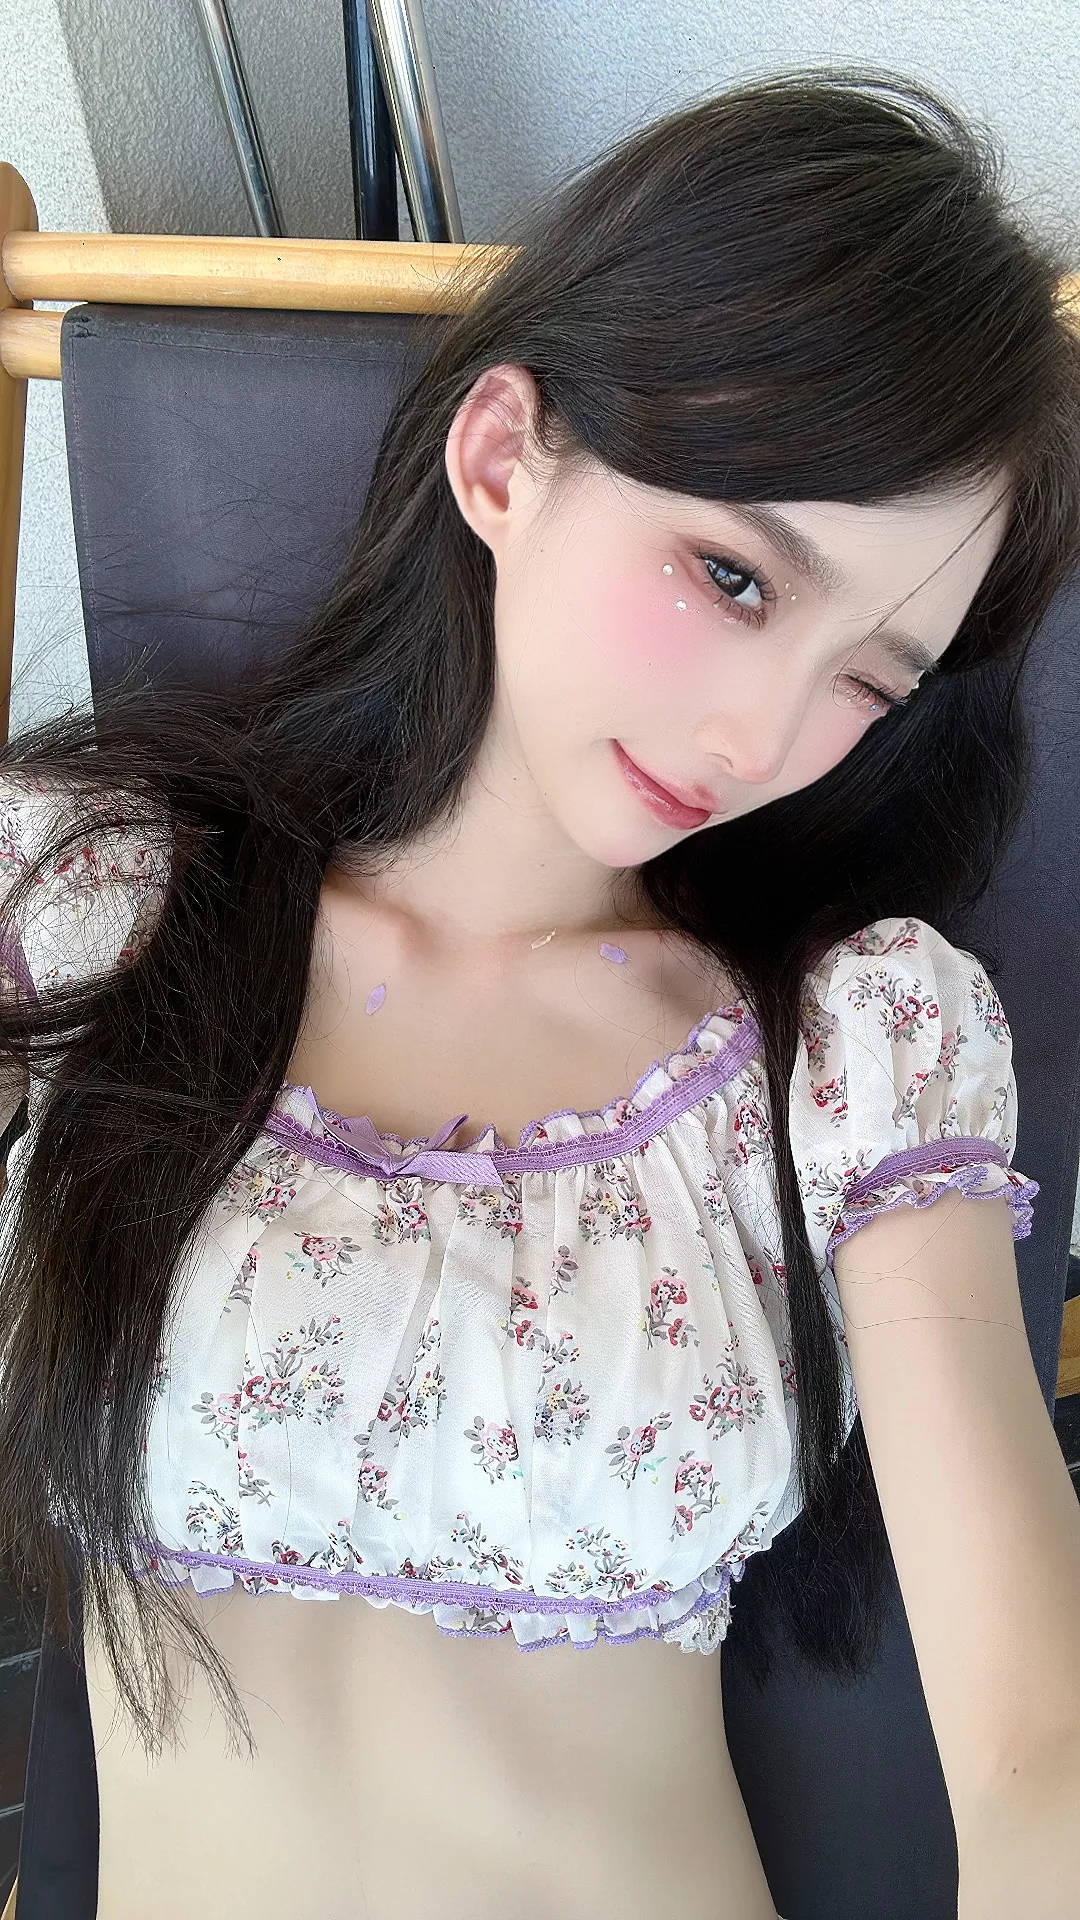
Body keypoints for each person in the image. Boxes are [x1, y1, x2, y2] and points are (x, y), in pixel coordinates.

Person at [1, 61, 1078, 1920]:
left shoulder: (849, 1054)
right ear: (505, 458)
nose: (763, 738)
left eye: (870, 678)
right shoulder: (97, 904)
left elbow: (1038, 1741)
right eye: (735, 577)